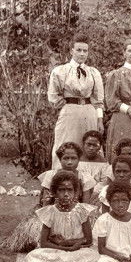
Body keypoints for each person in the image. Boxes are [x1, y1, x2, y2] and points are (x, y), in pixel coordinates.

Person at [24, 171, 99, 262]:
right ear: (54, 192)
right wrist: (64, 247)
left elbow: (88, 240)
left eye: (69, 190)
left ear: (76, 192)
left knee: (93, 256)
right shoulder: (50, 212)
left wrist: (68, 244)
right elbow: (44, 243)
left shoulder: (81, 211)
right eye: (61, 190)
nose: (66, 194)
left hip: (77, 251)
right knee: (32, 256)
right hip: (56, 251)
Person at [48, 34, 104, 169]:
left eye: (85, 51)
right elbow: (53, 96)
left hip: (89, 112)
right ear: (71, 51)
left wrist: (100, 119)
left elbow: (98, 99)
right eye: (79, 50)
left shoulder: (93, 72)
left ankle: (89, 182)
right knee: (66, 143)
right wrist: (67, 106)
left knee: (90, 146)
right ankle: (62, 179)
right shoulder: (60, 71)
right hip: (70, 112)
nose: (82, 54)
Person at [38, 142, 96, 207]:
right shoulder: (51, 175)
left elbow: (86, 205)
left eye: (73, 158)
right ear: (60, 160)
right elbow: (46, 203)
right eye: (66, 158)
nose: (70, 162)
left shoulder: (84, 178)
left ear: (79, 159)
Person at [77, 131, 110, 197]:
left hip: (96, 196)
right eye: (89, 144)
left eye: (95, 145)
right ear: (83, 144)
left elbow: (104, 183)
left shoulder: (104, 164)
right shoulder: (77, 161)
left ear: (100, 146)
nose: (91, 148)